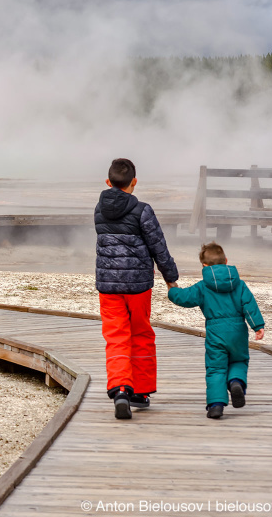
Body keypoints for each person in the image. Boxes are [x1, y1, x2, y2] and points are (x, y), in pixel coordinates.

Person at [95, 158, 178, 420]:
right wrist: (170, 277)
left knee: (116, 336)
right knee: (140, 333)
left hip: (108, 286)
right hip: (139, 286)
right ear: (134, 182)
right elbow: (158, 246)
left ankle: (120, 388)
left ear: (108, 183)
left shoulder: (99, 209)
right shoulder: (143, 210)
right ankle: (140, 392)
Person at [167, 242, 265, 420]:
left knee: (216, 368)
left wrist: (172, 289)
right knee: (239, 360)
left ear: (204, 266)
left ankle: (216, 406)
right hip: (238, 331)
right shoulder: (239, 284)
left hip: (215, 332)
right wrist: (257, 326)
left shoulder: (203, 286)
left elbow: (184, 298)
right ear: (226, 260)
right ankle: (235, 382)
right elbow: (249, 305)